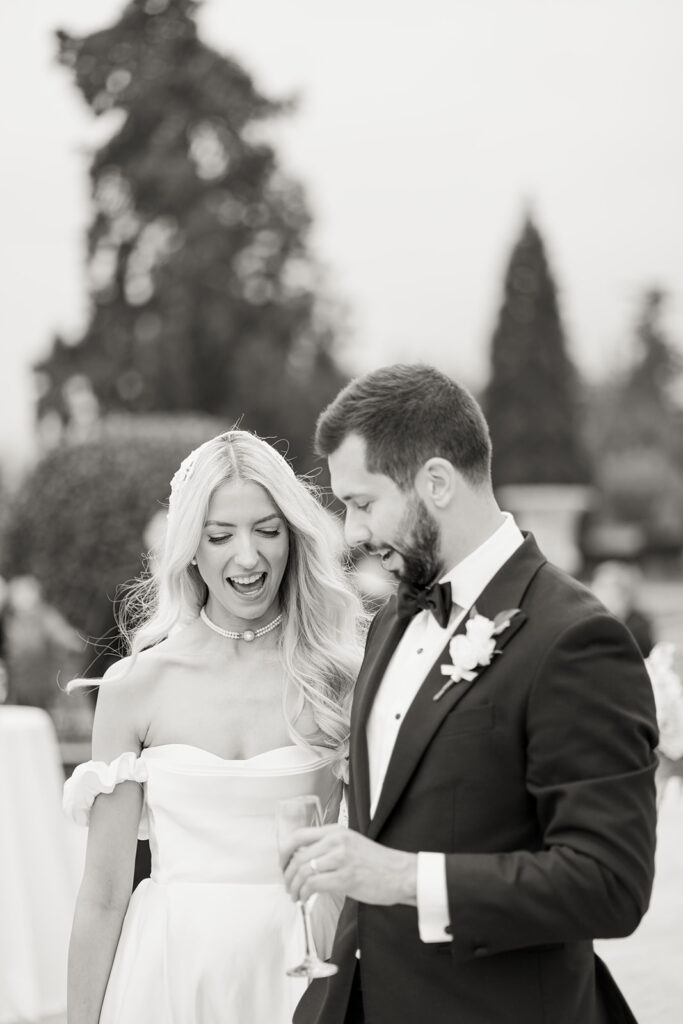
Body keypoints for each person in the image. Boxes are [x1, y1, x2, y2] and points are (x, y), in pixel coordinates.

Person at [285, 364, 658, 1024]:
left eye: (362, 503)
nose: (351, 533)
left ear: (434, 482)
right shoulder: (391, 623)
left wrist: (402, 878)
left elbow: (608, 883)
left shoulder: (574, 639)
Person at [62, 430, 365, 1024]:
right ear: (189, 548)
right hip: (170, 974)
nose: (247, 557)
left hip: (305, 968)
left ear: (294, 540)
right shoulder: (134, 688)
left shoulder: (341, 679)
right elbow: (102, 894)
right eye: (220, 535)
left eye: (268, 531)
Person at [590, 560, 655, 657]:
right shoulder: (588, 620)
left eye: (605, 587)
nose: (597, 591)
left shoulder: (639, 625)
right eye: (597, 585)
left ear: (624, 594)